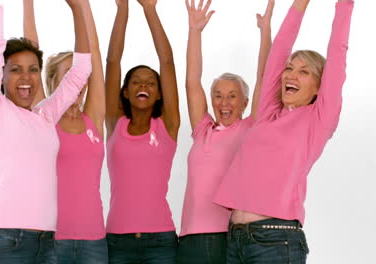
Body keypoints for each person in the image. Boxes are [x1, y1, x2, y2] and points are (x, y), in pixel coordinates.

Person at [213, 0, 354, 262]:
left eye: (303, 72)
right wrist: (300, 4)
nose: (290, 75)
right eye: (290, 68)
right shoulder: (268, 112)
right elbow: (278, 52)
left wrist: (344, 4)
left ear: (318, 87)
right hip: (235, 239)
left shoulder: (318, 119)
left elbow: (338, 53)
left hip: (276, 241)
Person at [0, 0, 91, 263]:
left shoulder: (45, 116)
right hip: (4, 242)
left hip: (46, 244)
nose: (26, 78)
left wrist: (77, 10)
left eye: (33, 70)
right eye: (15, 70)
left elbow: (80, 71)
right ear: (0, 75)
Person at [178, 0, 274, 263]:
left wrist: (265, 31)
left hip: (225, 237)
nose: (224, 103)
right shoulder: (203, 129)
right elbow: (191, 81)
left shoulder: (249, 129)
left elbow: (265, 78)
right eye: (218, 96)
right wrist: (194, 32)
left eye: (232, 96)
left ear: (245, 102)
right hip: (187, 238)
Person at [23, 0, 107, 262]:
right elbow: (30, 49)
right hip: (52, 240)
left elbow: (93, 53)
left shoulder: (93, 117)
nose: (78, 82)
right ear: (52, 82)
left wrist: (83, 6)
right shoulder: (43, 116)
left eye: (80, 76)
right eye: (69, 75)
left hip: (94, 241)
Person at [105, 0, 180, 262]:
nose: (143, 85)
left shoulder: (168, 127)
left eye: (150, 82)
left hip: (161, 241)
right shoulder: (115, 123)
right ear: (125, 92)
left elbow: (167, 62)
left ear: (159, 94)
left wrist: (150, 10)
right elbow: (112, 61)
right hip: (117, 240)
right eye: (135, 81)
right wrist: (122, 8)